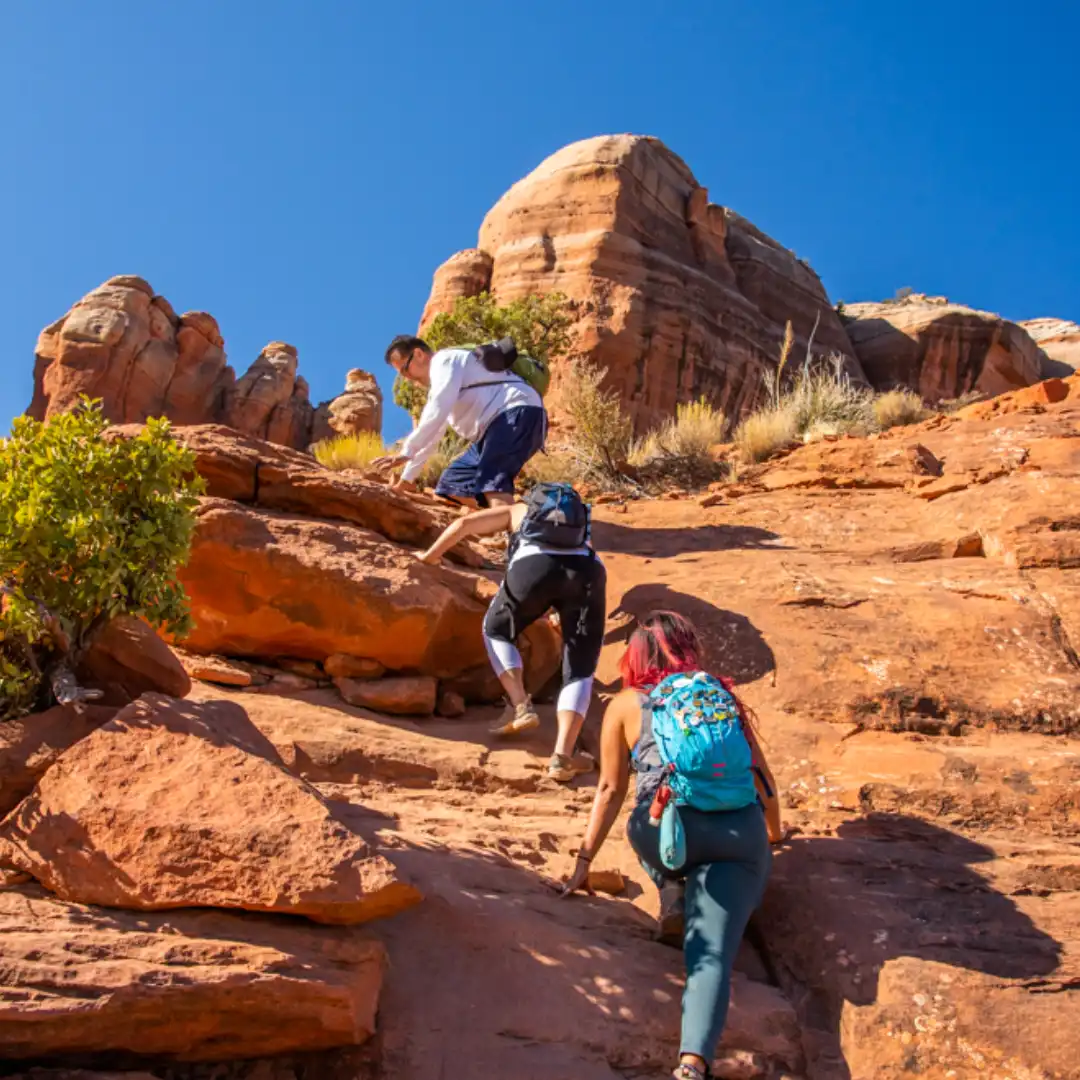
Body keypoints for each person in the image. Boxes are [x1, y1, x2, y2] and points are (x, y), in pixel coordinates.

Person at [560, 611, 783, 1080]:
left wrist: (584, 861)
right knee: (713, 955)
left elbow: (610, 789)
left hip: (667, 832)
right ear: (687, 648)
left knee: (640, 827)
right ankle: (692, 1063)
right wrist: (774, 837)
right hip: (738, 837)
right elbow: (764, 783)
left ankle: (673, 891)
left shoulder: (625, 705)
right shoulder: (718, 696)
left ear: (634, 656)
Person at [416, 483, 606, 782]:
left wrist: (429, 557)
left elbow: (464, 524)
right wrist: (561, 606)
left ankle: (520, 703)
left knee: (496, 630)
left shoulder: (519, 510)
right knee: (580, 667)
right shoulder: (578, 520)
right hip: (586, 571)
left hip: (533, 567)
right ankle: (562, 758)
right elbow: (583, 553)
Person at [375, 335, 547, 508]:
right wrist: (406, 480)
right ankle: (513, 516)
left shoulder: (444, 360)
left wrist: (407, 450)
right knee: (454, 484)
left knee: (492, 481)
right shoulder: (444, 383)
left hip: (516, 414)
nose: (407, 378)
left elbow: (437, 408)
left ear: (419, 354)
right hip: (494, 429)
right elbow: (433, 433)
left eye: (405, 369)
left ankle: (516, 529)